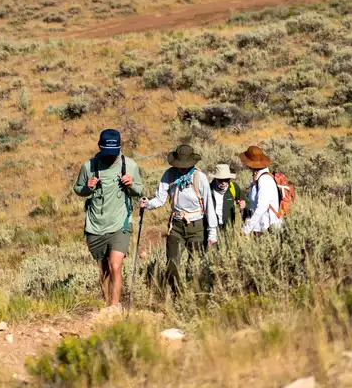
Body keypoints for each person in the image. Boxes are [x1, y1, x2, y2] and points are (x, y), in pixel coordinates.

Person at [74, 128, 142, 308]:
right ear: (99, 147)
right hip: (95, 225)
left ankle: (114, 308)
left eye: (115, 152)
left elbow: (140, 191)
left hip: (120, 224)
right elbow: (78, 189)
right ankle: (106, 304)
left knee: (115, 265)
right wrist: (87, 187)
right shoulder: (89, 166)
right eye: (107, 152)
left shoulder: (130, 166)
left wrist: (132, 185)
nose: (112, 157)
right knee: (104, 270)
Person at [141, 143, 217, 291]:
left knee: (194, 264)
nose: (182, 167)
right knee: (172, 263)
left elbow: (209, 205)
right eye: (180, 164)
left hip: (197, 225)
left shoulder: (199, 177)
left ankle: (193, 294)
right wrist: (148, 203)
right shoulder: (169, 175)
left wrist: (212, 231)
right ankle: (177, 293)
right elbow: (160, 198)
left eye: (185, 164)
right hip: (175, 225)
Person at [239, 145, 283, 235]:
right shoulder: (258, 178)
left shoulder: (264, 180)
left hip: (267, 228)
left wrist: (247, 228)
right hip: (261, 227)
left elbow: (262, 207)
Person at [208, 163, 241, 237]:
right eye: (220, 180)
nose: (223, 183)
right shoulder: (208, 189)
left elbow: (243, 201)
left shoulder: (234, 187)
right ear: (215, 179)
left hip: (228, 227)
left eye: (226, 180)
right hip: (212, 227)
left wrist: (243, 204)